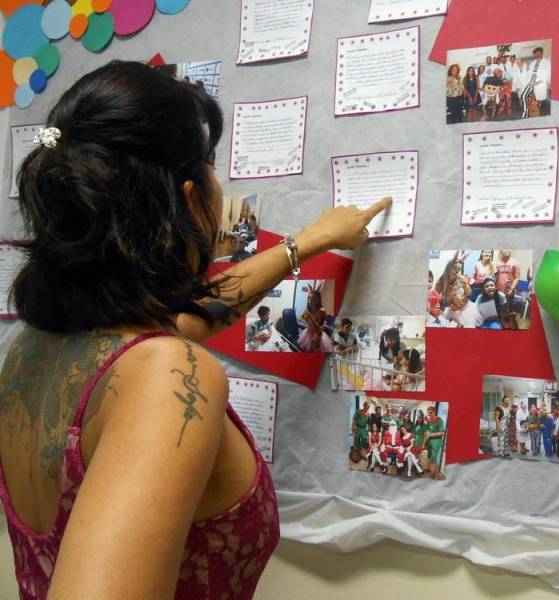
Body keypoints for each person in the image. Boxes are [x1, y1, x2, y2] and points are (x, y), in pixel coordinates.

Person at [0, 60, 391, 599]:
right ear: (189, 198)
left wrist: (307, 242)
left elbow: (192, 317)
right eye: (211, 167)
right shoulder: (165, 374)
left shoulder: (35, 345)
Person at [435, 257, 473, 327]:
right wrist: (446, 306)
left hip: (463, 307)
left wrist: (460, 305)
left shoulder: (462, 279)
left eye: (459, 270)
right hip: (448, 308)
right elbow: (435, 300)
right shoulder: (440, 282)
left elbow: (469, 294)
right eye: (455, 268)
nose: (457, 271)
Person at [297, 287, 333, 352]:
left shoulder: (322, 311)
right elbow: (300, 319)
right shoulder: (308, 309)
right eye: (309, 298)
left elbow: (320, 328)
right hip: (308, 334)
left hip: (316, 336)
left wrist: (310, 318)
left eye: (313, 298)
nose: (310, 301)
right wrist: (304, 318)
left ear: (317, 300)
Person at [425, 406, 445, 477]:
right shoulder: (428, 420)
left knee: (433, 457)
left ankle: (432, 473)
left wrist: (430, 435)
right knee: (429, 456)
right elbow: (427, 429)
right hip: (429, 441)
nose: (429, 413)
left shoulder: (439, 420)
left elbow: (442, 433)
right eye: (428, 412)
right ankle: (428, 468)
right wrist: (427, 434)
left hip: (437, 441)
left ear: (434, 412)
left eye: (431, 412)